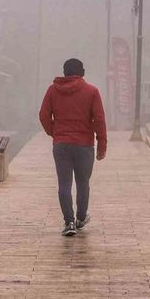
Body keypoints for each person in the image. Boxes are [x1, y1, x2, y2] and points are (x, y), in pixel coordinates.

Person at [39, 59, 107, 236]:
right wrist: (102, 145)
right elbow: (99, 119)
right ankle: (81, 217)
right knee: (83, 183)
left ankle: (69, 222)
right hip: (84, 146)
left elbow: (44, 115)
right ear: (81, 72)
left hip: (61, 145)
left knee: (64, 183)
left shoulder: (53, 90)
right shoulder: (92, 92)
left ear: (64, 72)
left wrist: (55, 133)